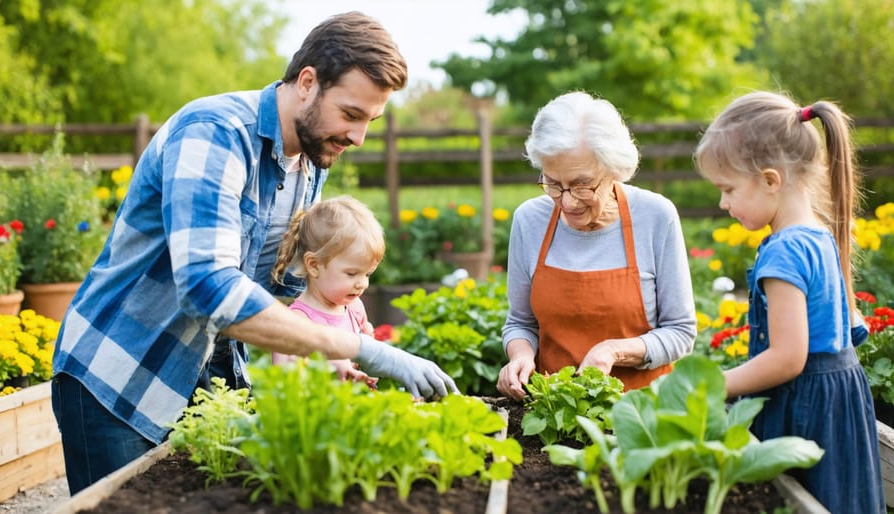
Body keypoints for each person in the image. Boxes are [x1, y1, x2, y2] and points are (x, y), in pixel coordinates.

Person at [50, 11, 457, 495]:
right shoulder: (214, 134)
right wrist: (364, 350)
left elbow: (280, 292)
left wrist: (331, 352)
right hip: (121, 379)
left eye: (370, 120)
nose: (358, 137)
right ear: (307, 82)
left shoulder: (309, 162)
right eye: (350, 114)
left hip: (210, 381)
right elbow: (209, 289)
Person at [694, 91, 885, 513]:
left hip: (805, 410)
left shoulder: (784, 251)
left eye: (727, 189)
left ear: (769, 179)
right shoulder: (818, 233)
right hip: (837, 403)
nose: (723, 204)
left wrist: (715, 385)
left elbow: (787, 358)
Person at [496, 91, 697, 399]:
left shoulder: (656, 217)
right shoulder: (529, 221)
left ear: (613, 169)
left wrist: (614, 351)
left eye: (581, 185)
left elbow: (680, 332)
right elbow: (521, 323)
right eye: (552, 182)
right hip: (556, 416)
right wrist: (521, 355)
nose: (567, 201)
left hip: (642, 418)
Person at [270, 196, 380, 388]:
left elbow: (360, 352)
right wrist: (326, 365)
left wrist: (368, 342)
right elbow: (283, 380)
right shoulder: (296, 320)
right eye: (352, 273)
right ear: (314, 265)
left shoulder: (354, 308)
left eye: (368, 274)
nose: (362, 283)